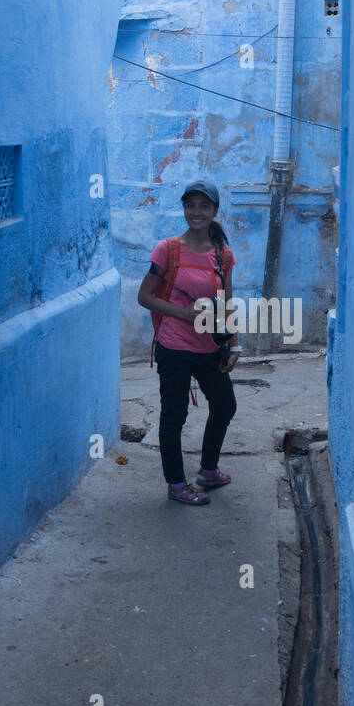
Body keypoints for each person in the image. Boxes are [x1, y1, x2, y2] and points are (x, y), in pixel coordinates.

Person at [137, 179, 244, 505]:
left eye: (204, 206)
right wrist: (182, 314)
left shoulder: (222, 255)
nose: (196, 212)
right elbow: (145, 296)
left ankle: (207, 471)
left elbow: (226, 301)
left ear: (214, 211)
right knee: (174, 414)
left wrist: (235, 343)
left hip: (210, 347)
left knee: (225, 405)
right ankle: (176, 484)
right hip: (174, 346)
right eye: (190, 205)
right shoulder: (167, 249)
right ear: (184, 209)